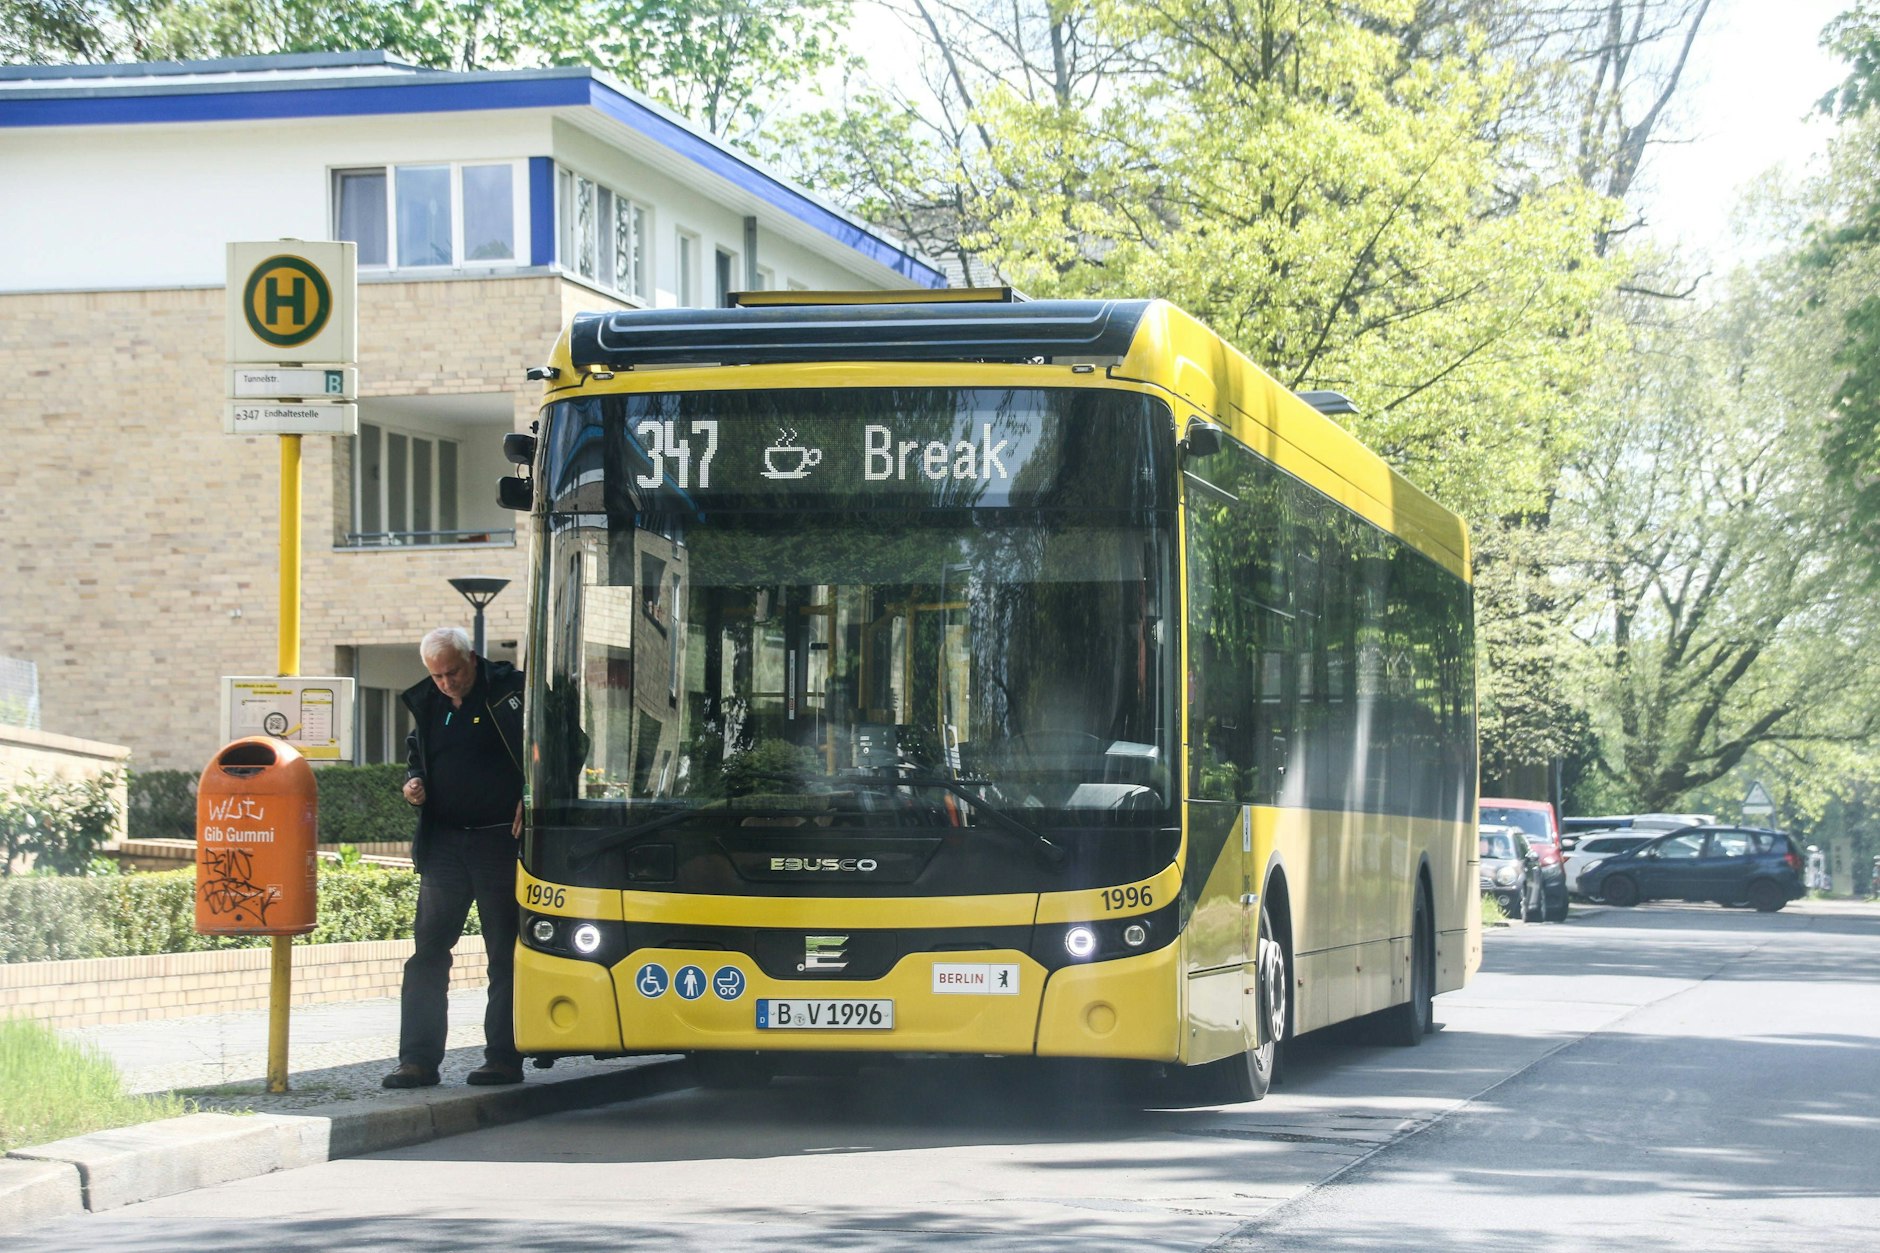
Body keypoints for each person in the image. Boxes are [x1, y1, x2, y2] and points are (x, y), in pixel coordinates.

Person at [382, 627, 527, 1089]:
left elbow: (565, 745)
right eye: (438, 675)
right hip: (444, 843)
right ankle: (418, 1061)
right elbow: (416, 758)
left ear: (472, 658)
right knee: (427, 954)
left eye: (454, 671)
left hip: (499, 843)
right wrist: (413, 785)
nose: (447, 682)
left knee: (504, 955)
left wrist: (534, 794)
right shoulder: (428, 702)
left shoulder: (511, 692)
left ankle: (503, 1058)